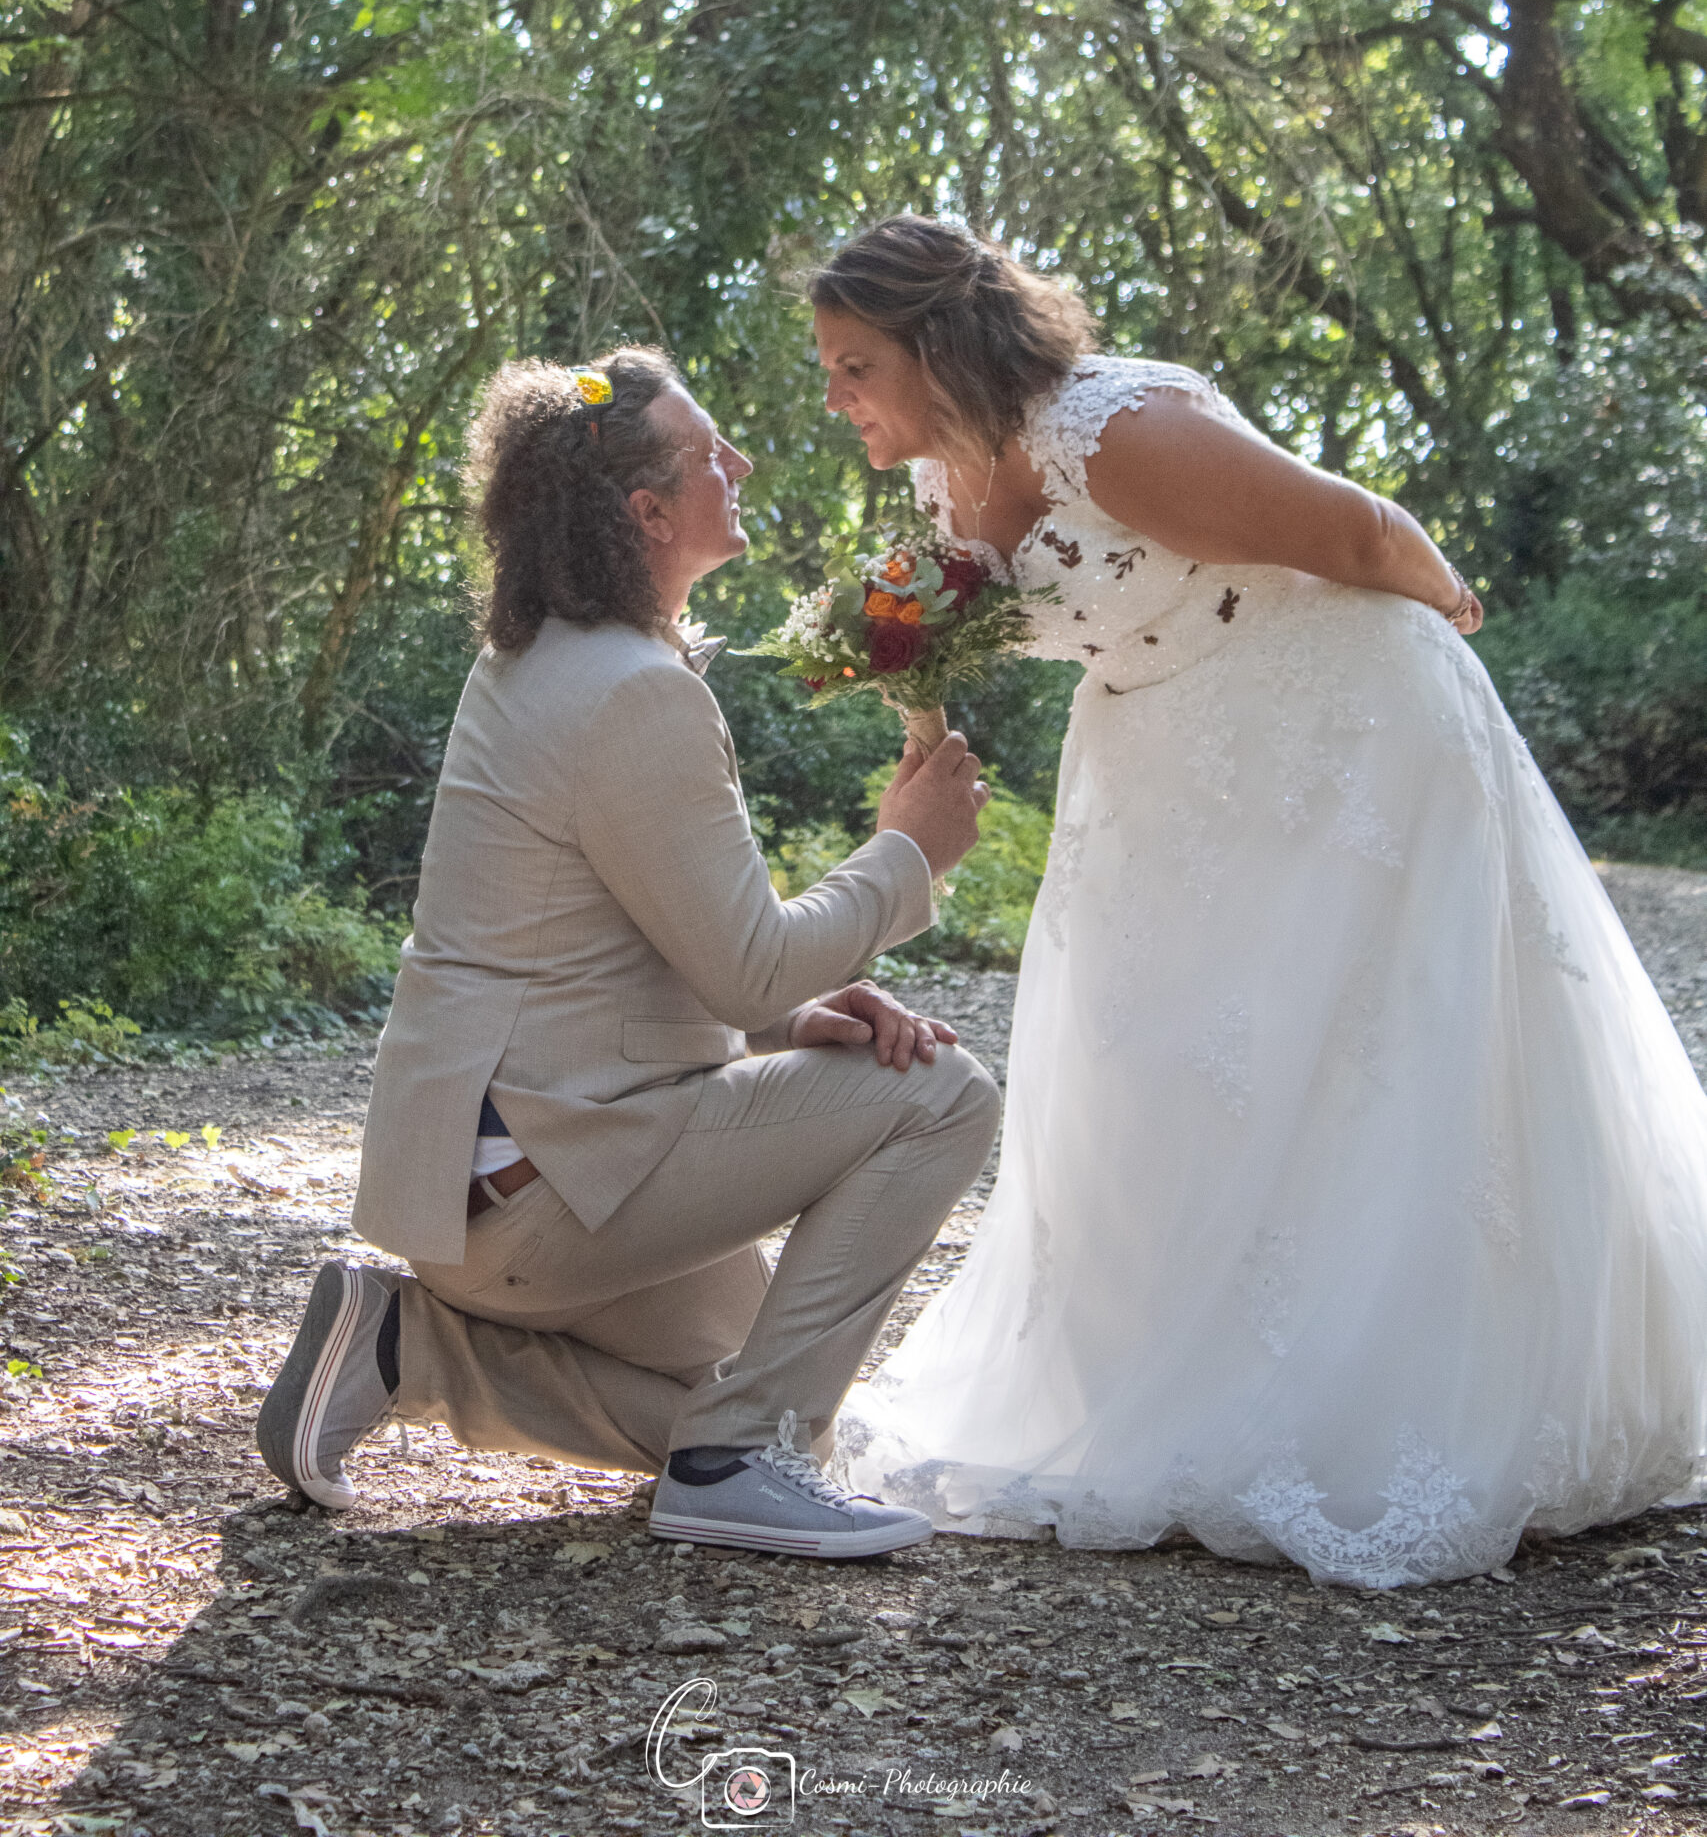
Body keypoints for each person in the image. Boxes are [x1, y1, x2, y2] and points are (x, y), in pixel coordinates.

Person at [813, 214, 1707, 1589]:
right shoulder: (951, 473)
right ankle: (1169, 1376)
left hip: (1338, 727)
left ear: (931, 350)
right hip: (1156, 755)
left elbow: (1352, 529)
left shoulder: (1109, 432)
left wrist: (1447, 604)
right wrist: (906, 668)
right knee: (1151, 1053)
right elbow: (1017, 599)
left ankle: (1388, 1401)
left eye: (851, 364)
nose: (835, 398)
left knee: (1358, 1047)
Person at [256, 347, 999, 1560]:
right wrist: (908, 854)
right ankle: (737, 1460)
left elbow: (637, 946)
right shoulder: (633, 691)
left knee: (728, 1380)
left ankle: (411, 1345)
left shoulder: (539, 661)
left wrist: (788, 1020)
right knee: (945, 1099)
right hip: (551, 1186)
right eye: (713, 452)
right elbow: (750, 964)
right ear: (647, 512)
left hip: (478, 1196)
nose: (742, 462)